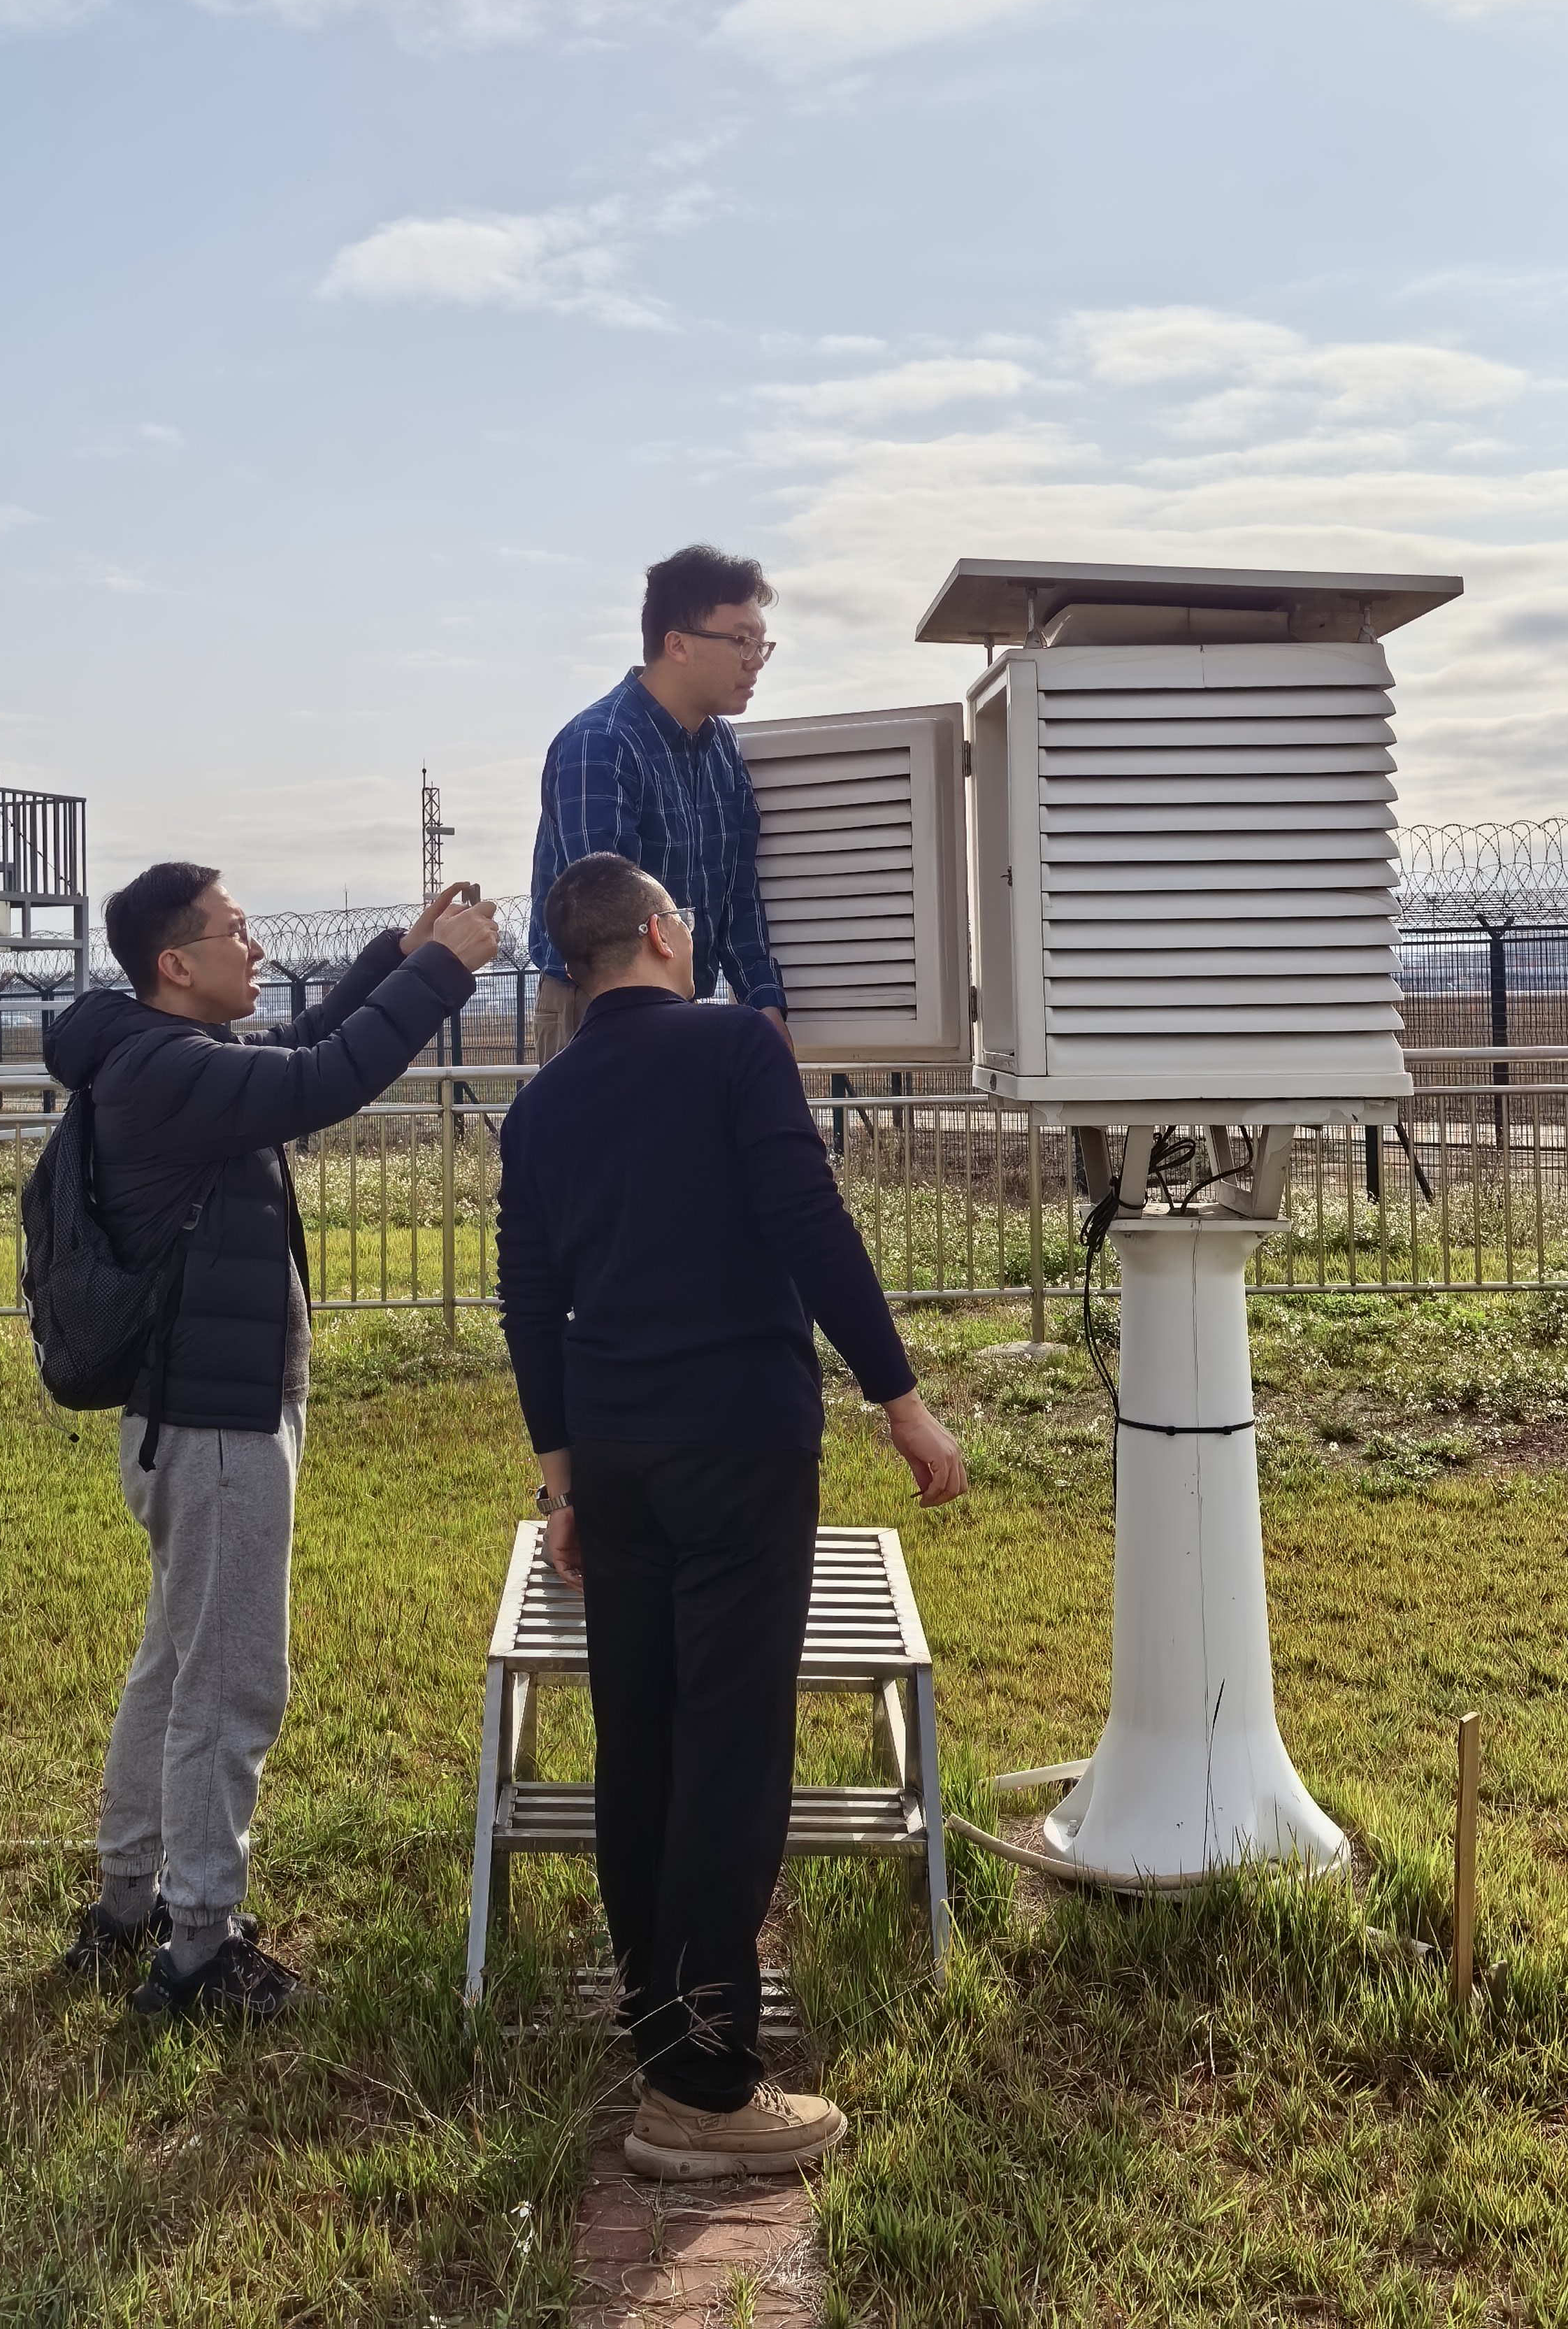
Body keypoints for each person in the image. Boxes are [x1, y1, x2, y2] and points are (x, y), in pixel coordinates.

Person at [497, 852, 966, 2177]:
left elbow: (529, 1303)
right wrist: (902, 1402)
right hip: (740, 1447)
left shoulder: (540, 1105)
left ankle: (660, 2023)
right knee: (730, 1746)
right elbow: (810, 1225)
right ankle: (703, 2090)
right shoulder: (736, 1050)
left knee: (641, 1736)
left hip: (617, 1455)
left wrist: (563, 1483)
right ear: (659, 932)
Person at [48, 863, 499, 2018]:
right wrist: (444, 975)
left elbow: (299, 1048)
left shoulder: (165, 1054)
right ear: (174, 963)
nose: (255, 950)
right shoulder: (165, 1068)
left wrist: (397, 957)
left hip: (199, 1420)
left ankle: (129, 1900)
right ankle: (199, 1949)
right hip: (215, 1429)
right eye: (236, 931)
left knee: (175, 1666)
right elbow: (323, 1078)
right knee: (229, 1686)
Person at [526, 543, 789, 1063]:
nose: (756, 661)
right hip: (596, 1007)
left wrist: (765, 1005)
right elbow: (606, 927)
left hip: (680, 1006)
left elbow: (738, 893)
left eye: (762, 644)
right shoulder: (600, 745)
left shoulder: (721, 747)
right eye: (742, 641)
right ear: (678, 644)